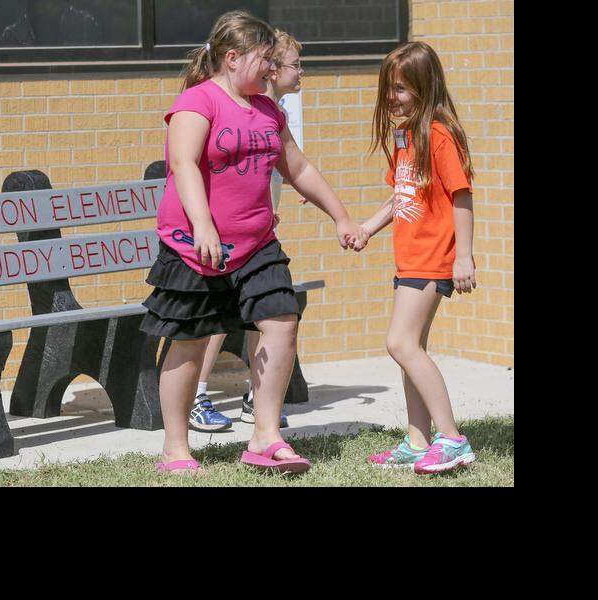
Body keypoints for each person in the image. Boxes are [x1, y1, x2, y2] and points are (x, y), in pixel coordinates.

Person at [142, 10, 356, 475]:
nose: (273, 71)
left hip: (256, 240)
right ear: (233, 58)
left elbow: (297, 168)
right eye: (266, 62)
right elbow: (182, 164)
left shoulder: (267, 110)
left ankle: (265, 437)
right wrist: (203, 225)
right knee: (190, 342)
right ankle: (175, 449)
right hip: (192, 245)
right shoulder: (197, 103)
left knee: (281, 320)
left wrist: (340, 216)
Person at [349, 42, 478, 475]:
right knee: (411, 350)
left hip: (431, 259)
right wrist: (367, 226)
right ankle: (418, 441)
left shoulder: (439, 134)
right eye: (389, 87)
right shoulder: (407, 136)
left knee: (400, 343)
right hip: (409, 259)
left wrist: (464, 257)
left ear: (425, 87)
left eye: (401, 89)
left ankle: (452, 438)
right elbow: (400, 195)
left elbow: (462, 197)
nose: (392, 97)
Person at [189, 28, 306, 433]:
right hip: (220, 237)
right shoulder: (214, 103)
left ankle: (256, 402)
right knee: (219, 319)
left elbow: (288, 165)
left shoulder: (277, 110)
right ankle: (197, 395)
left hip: (258, 230)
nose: (294, 71)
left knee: (272, 313)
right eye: (290, 64)